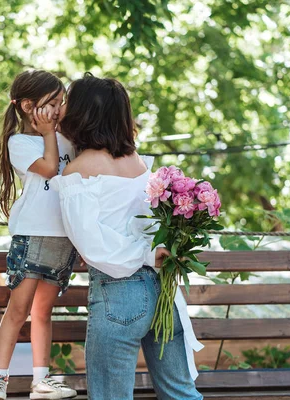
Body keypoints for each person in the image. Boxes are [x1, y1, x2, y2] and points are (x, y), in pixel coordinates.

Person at [50, 73, 204, 400]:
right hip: (162, 290)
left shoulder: (79, 170)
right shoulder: (138, 165)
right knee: (181, 394)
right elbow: (153, 227)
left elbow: (92, 244)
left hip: (120, 295)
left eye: (68, 103)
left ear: (83, 112)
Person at [0, 70, 78, 400]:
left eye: (60, 101)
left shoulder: (67, 138)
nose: (57, 108)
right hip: (32, 235)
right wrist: (50, 133)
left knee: (43, 312)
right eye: (51, 102)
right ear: (27, 106)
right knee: (18, 309)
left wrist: (59, 128)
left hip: (63, 238)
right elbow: (50, 168)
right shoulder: (20, 143)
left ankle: (41, 380)